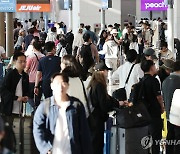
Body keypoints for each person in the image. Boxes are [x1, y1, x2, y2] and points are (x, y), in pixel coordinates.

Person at [33, 73, 93, 154]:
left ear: (68, 85)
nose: (60, 87)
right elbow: (37, 130)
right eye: (57, 84)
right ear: (52, 86)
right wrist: (46, 148)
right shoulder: (45, 106)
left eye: (63, 83)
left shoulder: (76, 105)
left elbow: (84, 132)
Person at [87, 61, 121, 154]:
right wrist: (111, 108)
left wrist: (117, 103)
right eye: (106, 71)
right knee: (97, 145)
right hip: (97, 120)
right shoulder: (99, 85)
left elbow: (107, 98)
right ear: (102, 72)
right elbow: (104, 103)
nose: (107, 73)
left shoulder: (93, 83)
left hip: (92, 119)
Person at [140, 60, 165, 154]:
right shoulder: (153, 80)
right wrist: (162, 107)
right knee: (155, 139)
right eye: (154, 65)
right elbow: (158, 97)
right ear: (151, 67)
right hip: (154, 113)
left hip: (145, 112)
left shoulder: (142, 80)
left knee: (146, 139)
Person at [0, 52, 29, 126]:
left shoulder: (25, 75)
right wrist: (15, 98)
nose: (23, 64)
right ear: (14, 62)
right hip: (9, 104)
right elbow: (3, 90)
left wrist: (26, 96)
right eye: (20, 61)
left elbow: (26, 89)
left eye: (24, 61)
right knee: (7, 125)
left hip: (19, 104)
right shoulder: (10, 74)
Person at [162, 61, 180, 154]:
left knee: (170, 137)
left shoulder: (165, 81)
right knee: (178, 140)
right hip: (178, 118)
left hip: (169, 115)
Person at [25, 41, 45, 108]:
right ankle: (37, 107)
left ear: (33, 47)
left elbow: (27, 68)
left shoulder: (30, 57)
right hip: (41, 78)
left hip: (32, 78)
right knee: (38, 96)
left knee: (29, 95)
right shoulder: (43, 56)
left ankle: (34, 107)